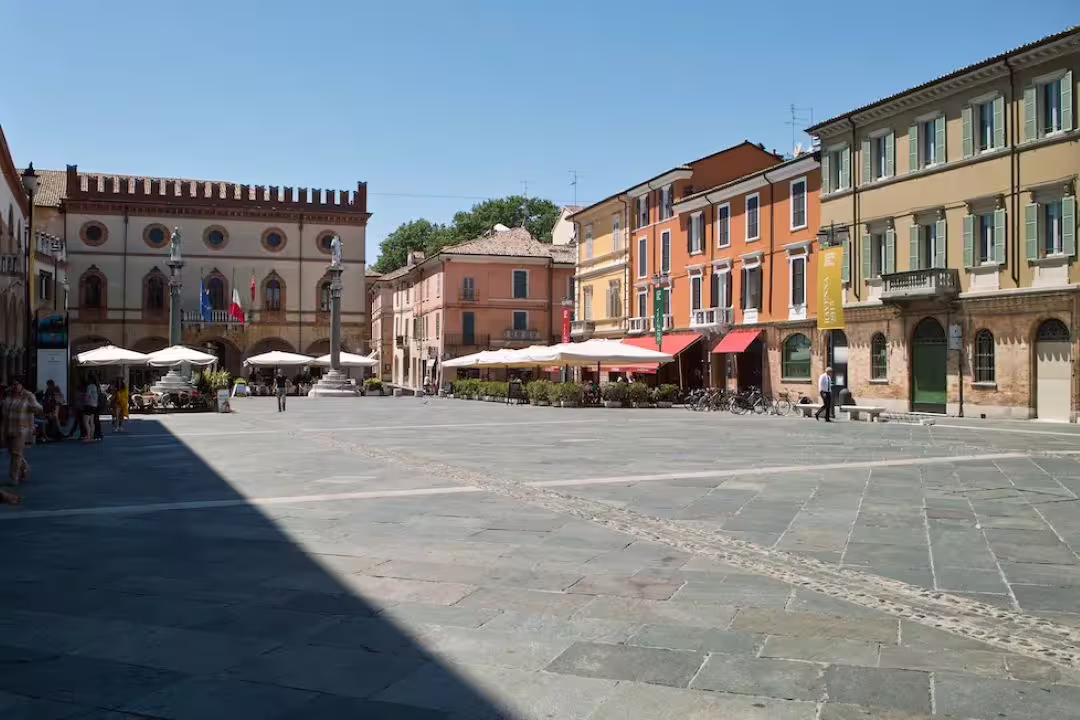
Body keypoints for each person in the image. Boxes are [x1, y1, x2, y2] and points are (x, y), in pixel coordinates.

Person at [1, 377, 43, 495]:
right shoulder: (7, 394)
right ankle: (25, 469)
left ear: (21, 385)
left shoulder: (28, 395)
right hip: (8, 427)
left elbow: (39, 408)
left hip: (22, 428)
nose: (15, 386)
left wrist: (33, 408)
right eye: (13, 384)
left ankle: (13, 478)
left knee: (16, 453)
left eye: (17, 384)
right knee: (12, 451)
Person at [85, 375, 103, 442]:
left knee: (86, 421)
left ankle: (89, 436)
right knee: (93, 421)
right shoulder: (97, 387)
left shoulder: (90, 386)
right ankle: (94, 436)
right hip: (95, 405)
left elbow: (87, 396)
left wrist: (84, 401)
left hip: (89, 404)